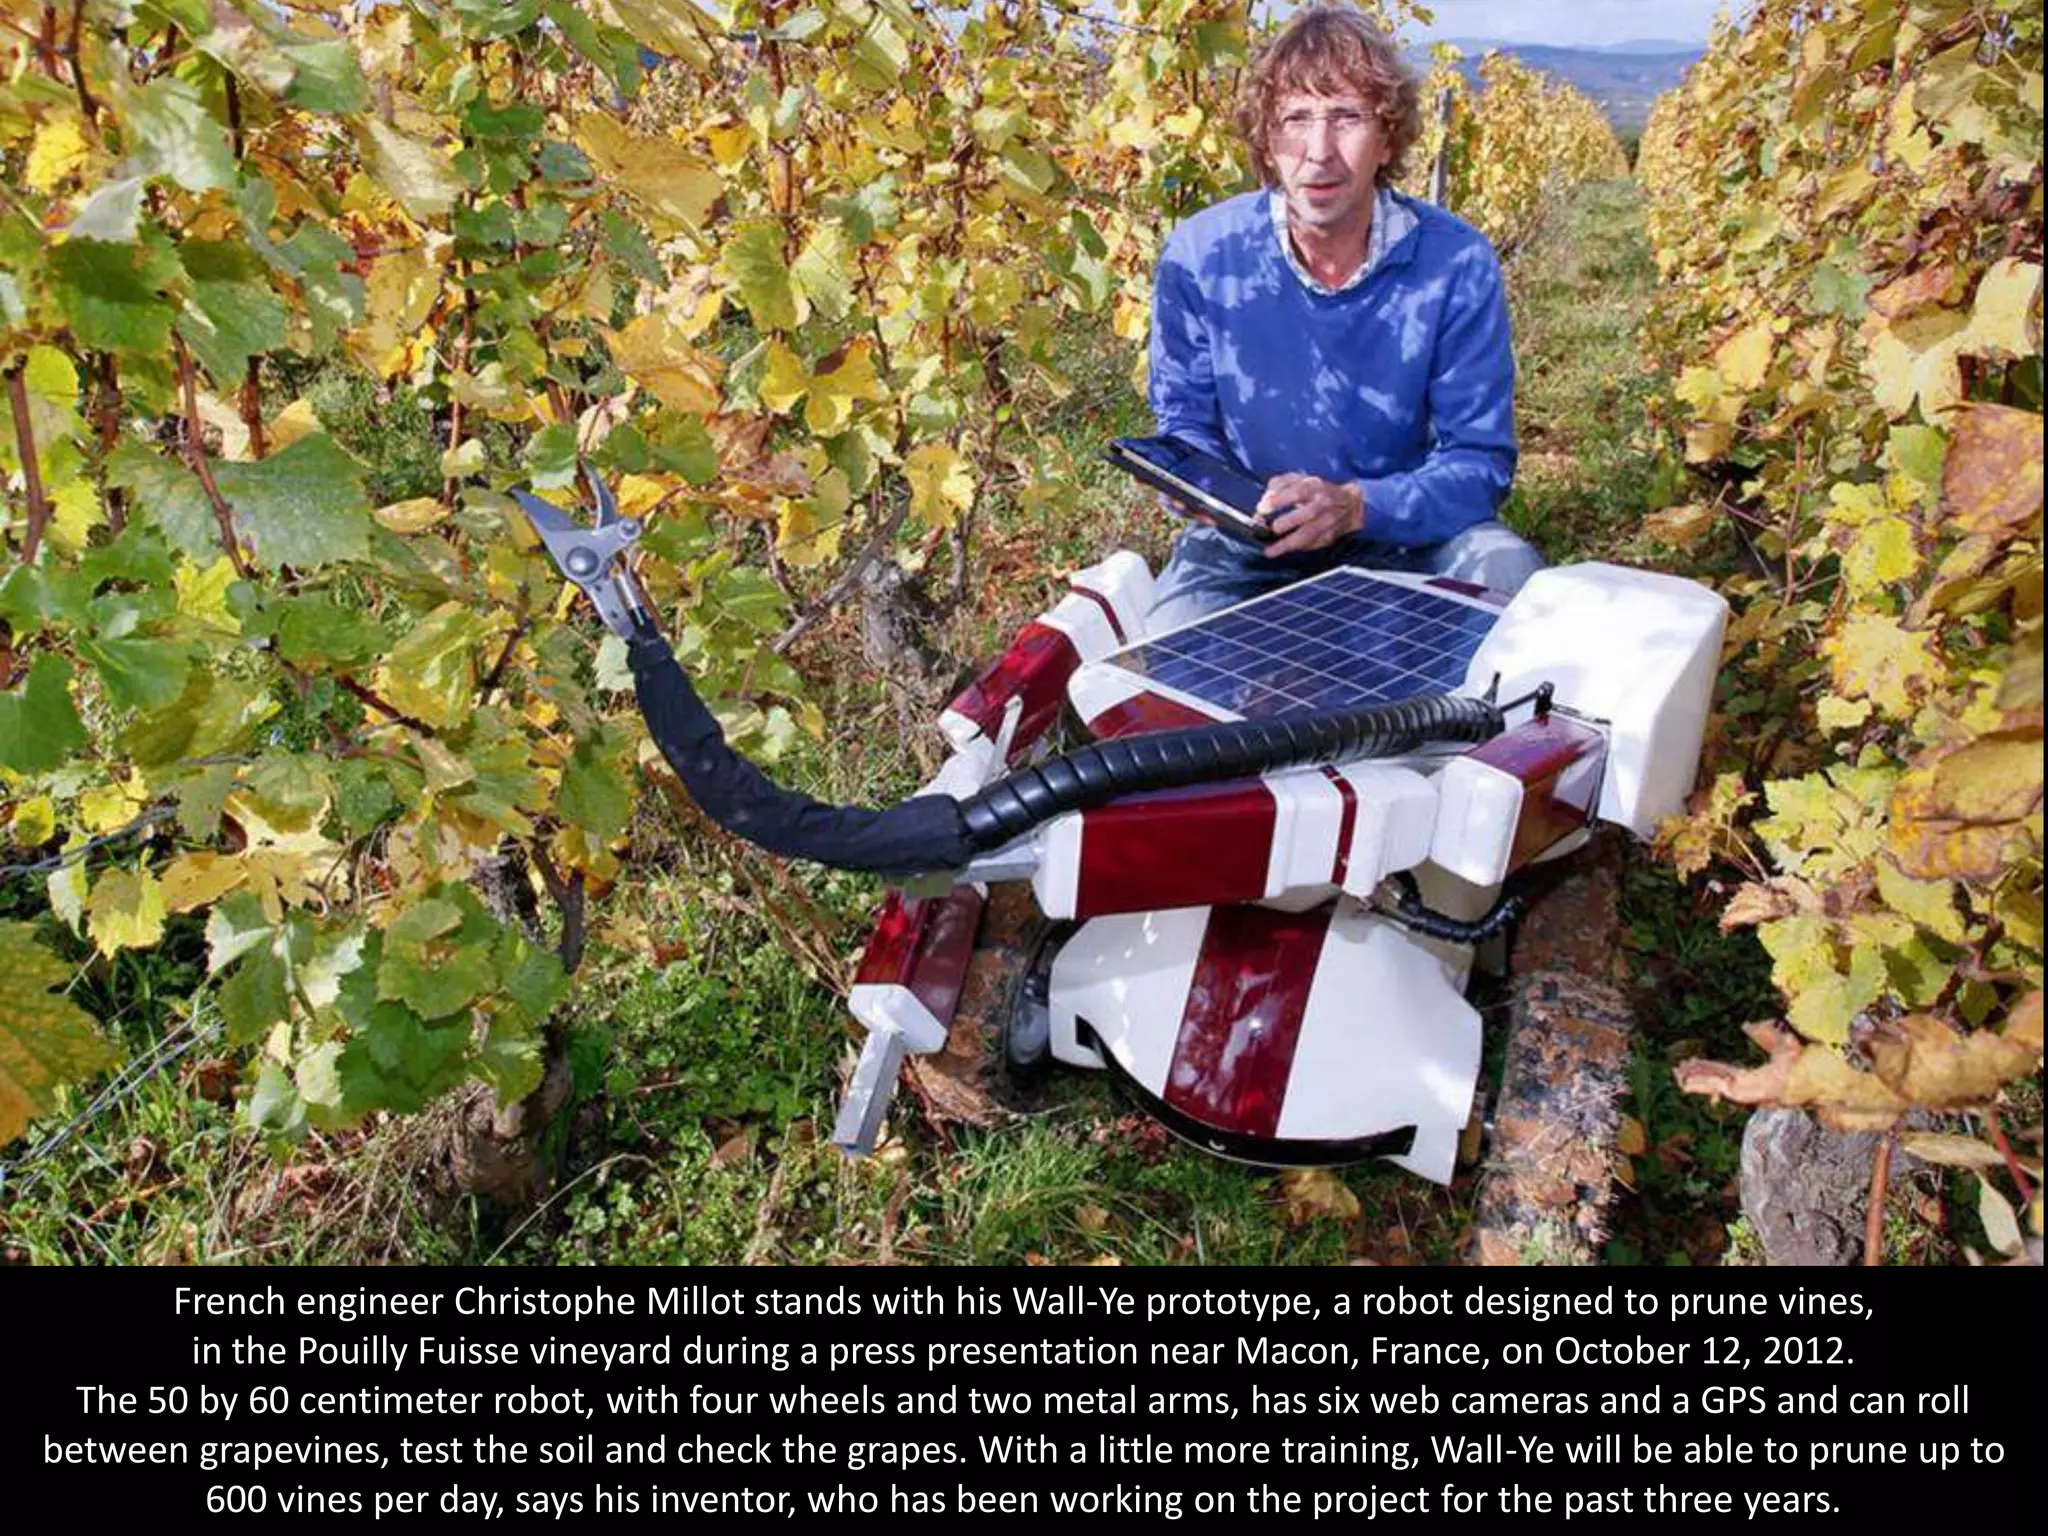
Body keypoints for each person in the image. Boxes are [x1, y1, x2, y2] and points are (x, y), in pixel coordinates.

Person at [1144, 5, 1543, 631]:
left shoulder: (1455, 261)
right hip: (1247, 549)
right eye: (1295, 120)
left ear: (1388, 138)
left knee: (1507, 574)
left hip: (1404, 538)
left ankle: (1446, 731)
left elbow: (1480, 461)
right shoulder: (1201, 255)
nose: (1318, 152)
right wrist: (1207, 492)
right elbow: (1185, 426)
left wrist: (1357, 507)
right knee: (1176, 645)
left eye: (1347, 118)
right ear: (1266, 142)